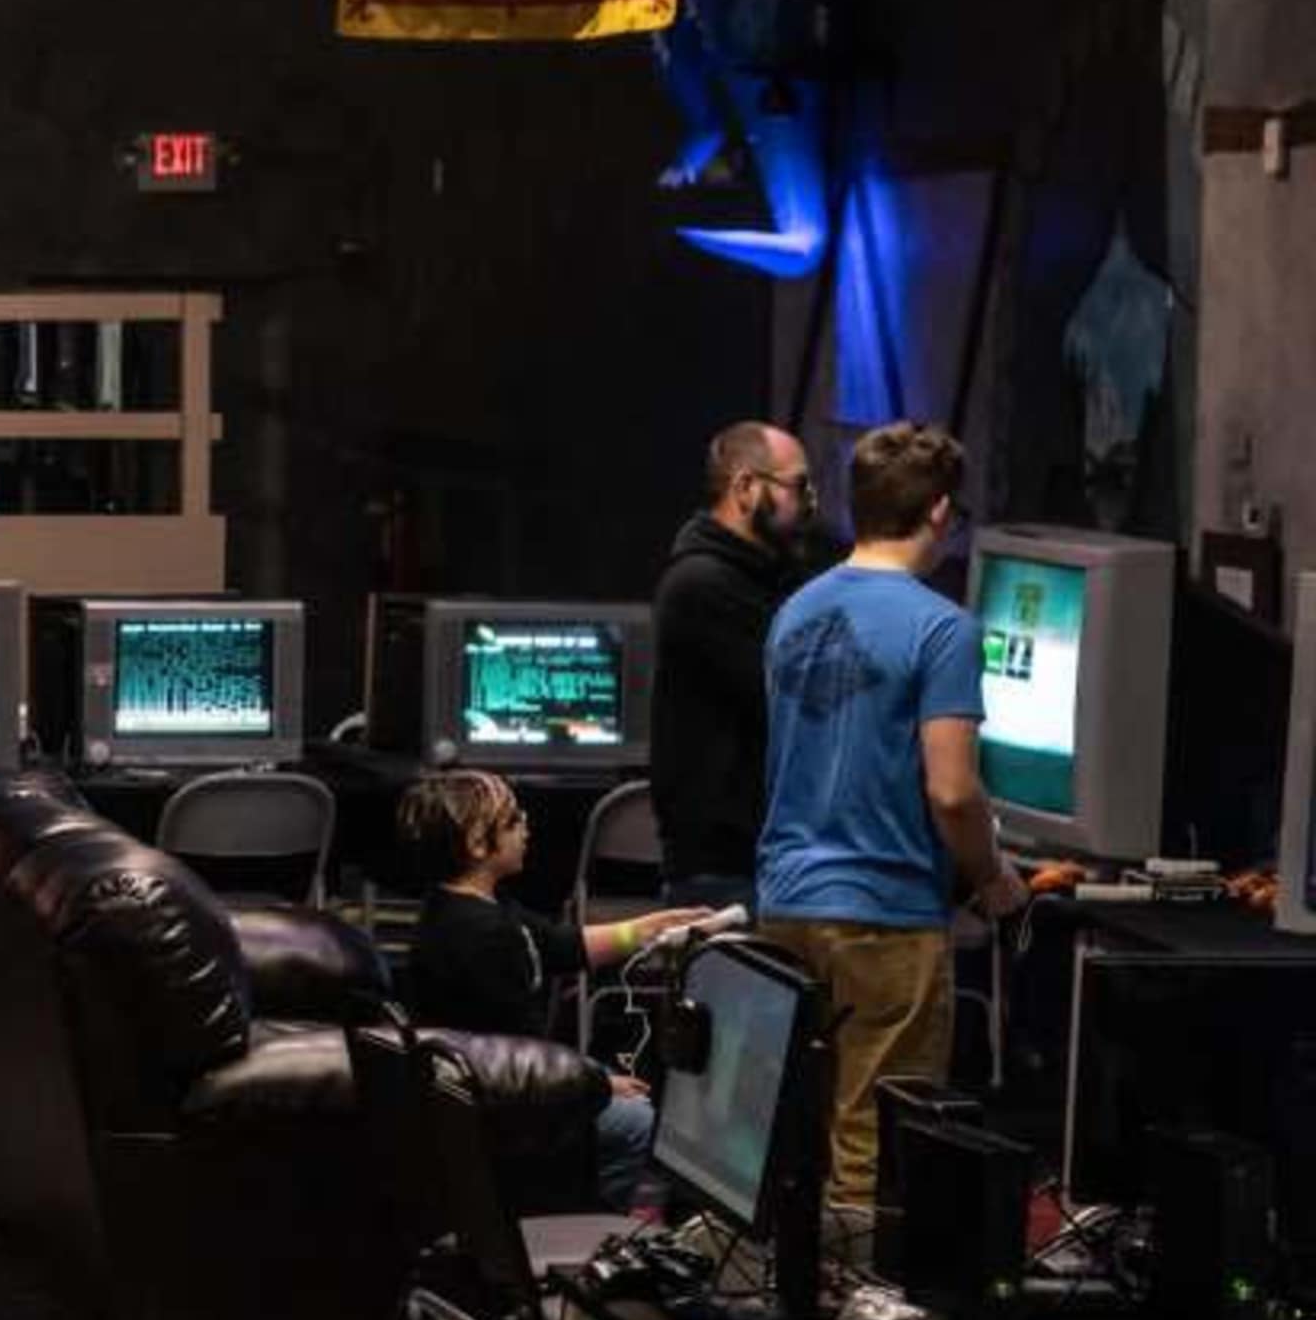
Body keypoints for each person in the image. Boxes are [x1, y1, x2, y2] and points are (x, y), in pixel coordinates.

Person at [756, 421, 1025, 1210]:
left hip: (786, 903)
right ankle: (860, 1314)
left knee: (791, 1134)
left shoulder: (794, 610)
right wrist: (995, 878)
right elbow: (952, 791)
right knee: (873, 1149)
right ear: (941, 513)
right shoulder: (943, 628)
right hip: (886, 913)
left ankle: (795, 1303)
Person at [397, 769, 714, 1211]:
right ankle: (588, 1229)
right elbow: (520, 1052)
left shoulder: (479, 908)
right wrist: (595, 1083)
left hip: (512, 1077)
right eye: (513, 819)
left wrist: (648, 930)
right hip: (501, 1098)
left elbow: (561, 945)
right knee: (642, 1125)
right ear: (475, 843)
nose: (526, 826)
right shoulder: (477, 937)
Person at [652, 421, 818, 910]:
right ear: (745, 487)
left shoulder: (769, 577)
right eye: (799, 486)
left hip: (766, 858)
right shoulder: (702, 586)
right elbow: (794, 701)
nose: (810, 503)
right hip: (726, 869)